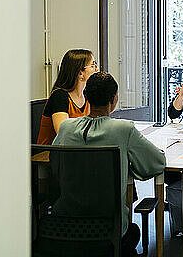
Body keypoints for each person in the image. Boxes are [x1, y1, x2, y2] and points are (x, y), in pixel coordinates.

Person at [53, 72, 166, 256]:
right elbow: (156, 163)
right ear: (114, 99)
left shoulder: (66, 127)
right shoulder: (123, 129)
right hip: (109, 227)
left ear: (86, 97)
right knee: (133, 231)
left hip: (66, 224)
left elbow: (55, 164)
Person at [36, 49, 97, 145]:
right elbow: (64, 134)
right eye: (92, 66)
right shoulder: (59, 96)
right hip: (50, 154)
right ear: (80, 73)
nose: (96, 69)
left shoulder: (88, 95)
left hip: (76, 151)